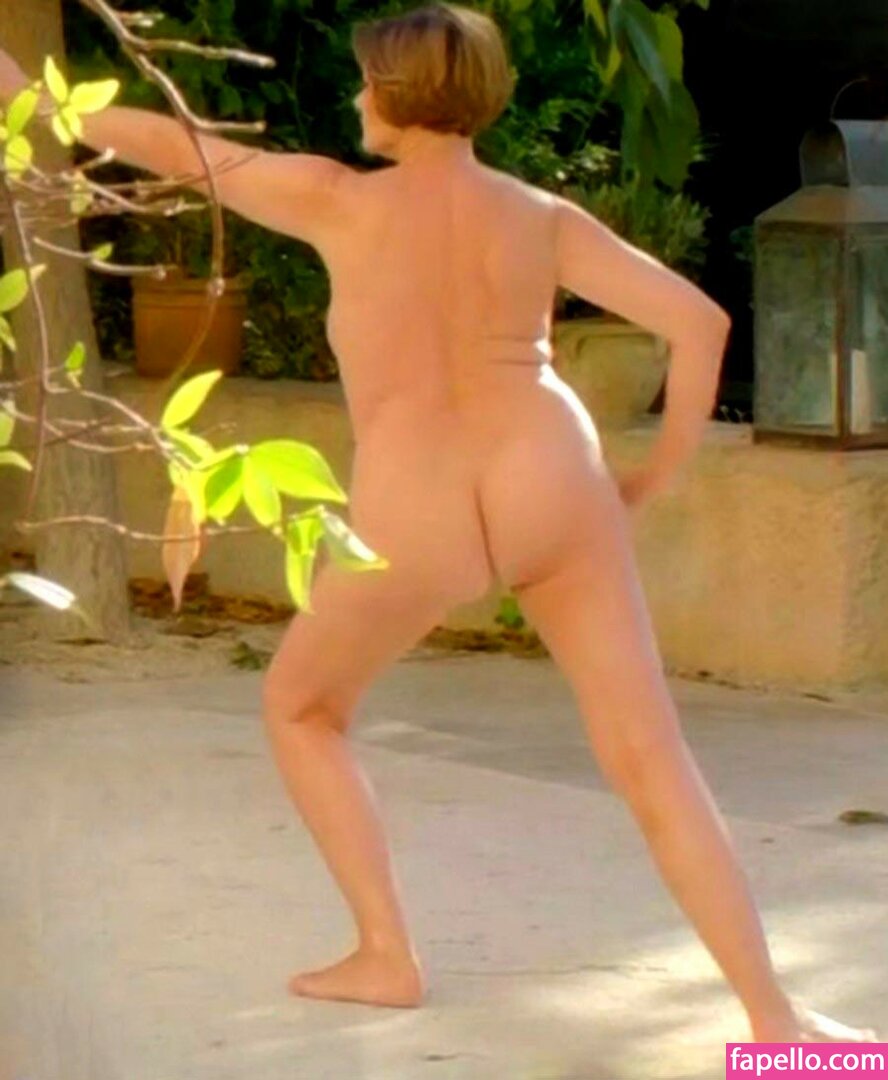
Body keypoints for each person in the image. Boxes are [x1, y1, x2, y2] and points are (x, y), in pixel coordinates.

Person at [0, 2, 877, 1046]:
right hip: (552, 475)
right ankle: (776, 1024)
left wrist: (29, 96)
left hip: (416, 501)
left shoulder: (336, 200)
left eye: (366, 80)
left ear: (394, 94)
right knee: (651, 756)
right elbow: (702, 323)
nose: (355, 96)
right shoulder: (540, 215)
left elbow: (180, 149)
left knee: (302, 707)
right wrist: (651, 477)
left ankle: (386, 955)